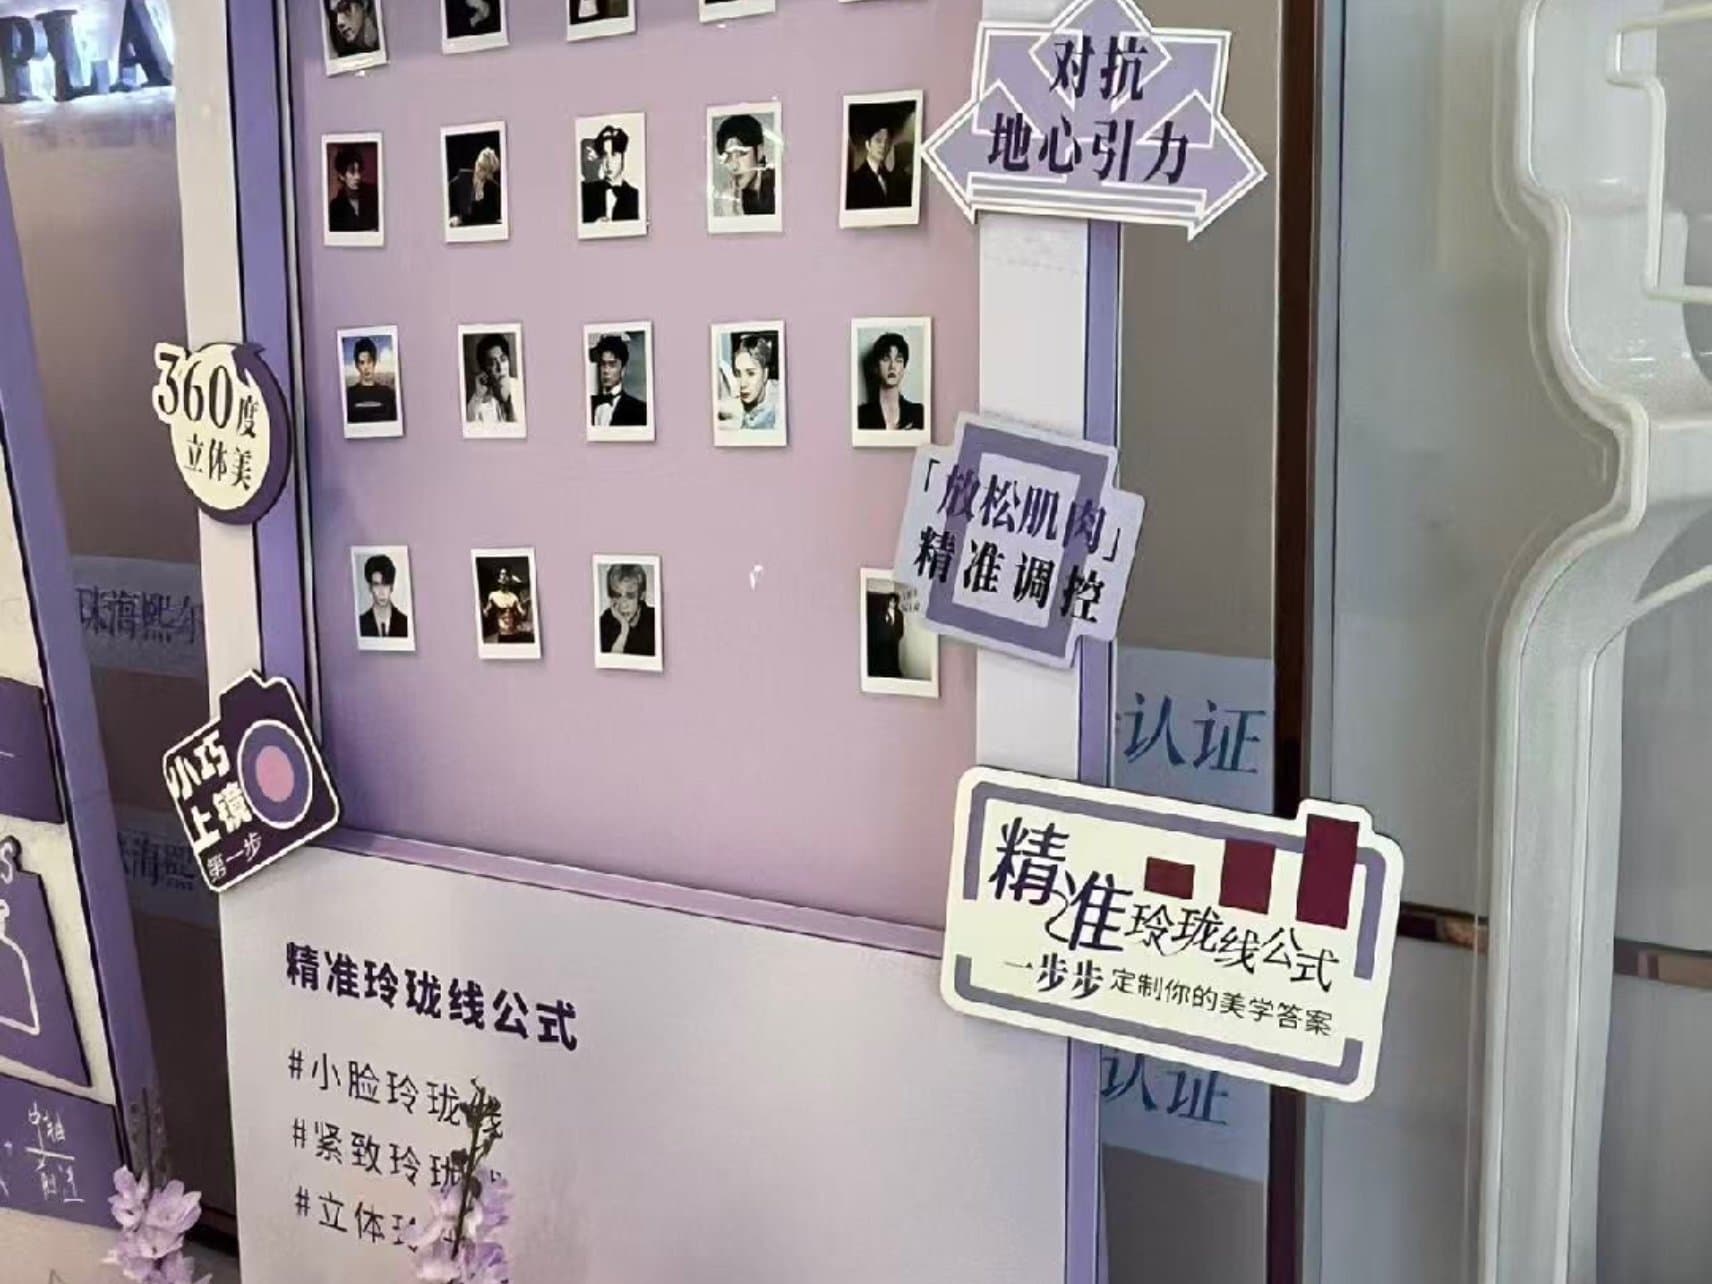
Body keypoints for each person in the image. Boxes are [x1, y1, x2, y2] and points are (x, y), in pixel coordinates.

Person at [846, 103, 913, 211]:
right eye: (878, 140)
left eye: (887, 141)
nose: (883, 145)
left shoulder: (895, 180)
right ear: (868, 144)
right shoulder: (855, 182)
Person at [856, 332, 923, 433]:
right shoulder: (860, 415)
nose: (892, 366)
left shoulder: (919, 412)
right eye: (886, 359)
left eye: (898, 360)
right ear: (875, 367)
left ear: (904, 368)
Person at [712, 113, 776, 218]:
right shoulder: (735, 197)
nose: (734, 166)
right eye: (728, 156)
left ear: (759, 152)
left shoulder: (777, 187)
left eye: (741, 153)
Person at [715, 332, 780, 433]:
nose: (743, 384)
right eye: (738, 374)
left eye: (751, 373)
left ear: (765, 374)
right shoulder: (733, 401)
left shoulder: (780, 401)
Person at [580, 125, 640, 225]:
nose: (608, 163)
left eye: (613, 155)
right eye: (604, 155)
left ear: (623, 157)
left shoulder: (635, 196)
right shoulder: (586, 192)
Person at [598, 563, 657, 657]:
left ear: (641, 595)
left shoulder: (655, 620)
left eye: (630, 596)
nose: (623, 605)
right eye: (617, 595)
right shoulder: (604, 622)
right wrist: (624, 631)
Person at [589, 334, 648, 428]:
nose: (606, 371)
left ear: (623, 370)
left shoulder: (640, 410)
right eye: (603, 364)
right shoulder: (588, 406)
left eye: (612, 365)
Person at [466, 333, 518, 424]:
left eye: (503, 359)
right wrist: (478, 396)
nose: (500, 368)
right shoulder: (480, 406)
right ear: (485, 369)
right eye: (492, 363)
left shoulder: (521, 388)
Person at [448, 144, 502, 228]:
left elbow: (494, 217)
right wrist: (455, 218)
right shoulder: (456, 184)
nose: (478, 170)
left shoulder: (494, 189)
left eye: (483, 169)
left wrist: (480, 201)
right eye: (478, 164)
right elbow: (451, 211)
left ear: (489, 173)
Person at [327, 145, 379, 234]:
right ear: (342, 176)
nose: (358, 177)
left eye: (359, 171)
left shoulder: (373, 194)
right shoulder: (335, 207)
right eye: (352, 171)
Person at [345, 337, 397, 424]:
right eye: (362, 363)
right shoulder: (349, 395)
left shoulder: (388, 393)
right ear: (357, 366)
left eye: (369, 361)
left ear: (374, 362)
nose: (366, 367)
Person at [358, 553, 409, 640]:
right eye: (376, 585)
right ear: (370, 587)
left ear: (391, 586)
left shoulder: (405, 622)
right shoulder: (361, 623)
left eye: (385, 584)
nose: (381, 592)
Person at [482, 565, 532, 643]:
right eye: (502, 574)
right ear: (498, 578)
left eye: (506, 574)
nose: (504, 576)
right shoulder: (493, 595)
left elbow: (522, 614)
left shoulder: (514, 597)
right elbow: (486, 611)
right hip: (503, 634)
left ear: (509, 578)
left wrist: (525, 605)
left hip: (515, 633)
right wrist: (484, 610)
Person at [866, 590, 904, 679]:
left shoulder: (899, 613)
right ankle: (882, 673)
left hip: (893, 642)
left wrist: (897, 638)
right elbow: (877, 626)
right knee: (883, 659)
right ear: (888, 601)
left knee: (893, 659)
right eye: (891, 601)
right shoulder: (881, 612)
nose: (892, 603)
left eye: (894, 601)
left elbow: (901, 628)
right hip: (882, 641)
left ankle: (893, 674)